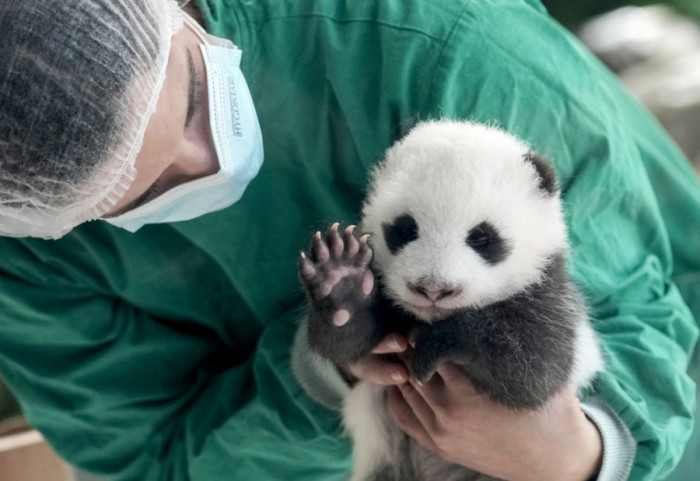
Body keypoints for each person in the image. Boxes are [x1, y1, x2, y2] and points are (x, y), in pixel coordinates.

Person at [0, 0, 698, 480]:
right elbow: (154, 463)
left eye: (188, 99)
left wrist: (580, 453)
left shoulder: (429, 39)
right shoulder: (29, 259)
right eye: (145, 192)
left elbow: (638, 313)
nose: (205, 159)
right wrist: (326, 369)